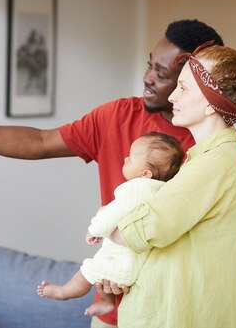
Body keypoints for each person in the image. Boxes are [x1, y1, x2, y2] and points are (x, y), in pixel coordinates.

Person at [0, 19, 236, 328]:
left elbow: (200, 246)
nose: (147, 78)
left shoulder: (219, 153)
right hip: (113, 310)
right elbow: (42, 142)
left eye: (162, 73)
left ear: (196, 83)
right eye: (149, 65)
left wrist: (119, 247)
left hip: (169, 312)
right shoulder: (117, 116)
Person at [109, 43, 236, 327]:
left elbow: (142, 229)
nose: (172, 95)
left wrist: (108, 233)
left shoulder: (215, 164)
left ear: (212, 103)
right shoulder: (209, 158)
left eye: (183, 88)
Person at [37, 133, 185, 317]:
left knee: (87, 271)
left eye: (130, 159)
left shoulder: (135, 188)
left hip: (122, 259)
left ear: (145, 174)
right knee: (105, 272)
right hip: (137, 263)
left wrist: (94, 229)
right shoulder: (161, 190)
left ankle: (64, 292)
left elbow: (114, 213)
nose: (125, 158)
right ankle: (106, 302)